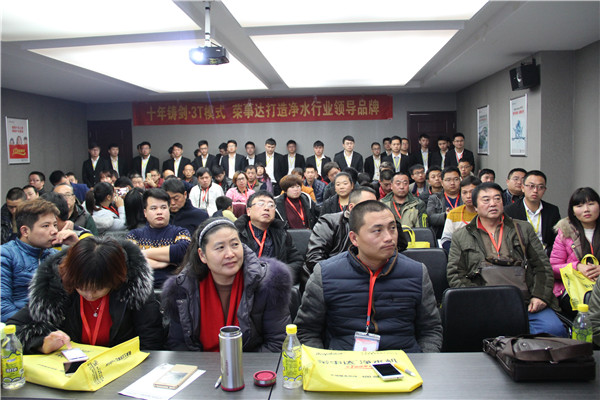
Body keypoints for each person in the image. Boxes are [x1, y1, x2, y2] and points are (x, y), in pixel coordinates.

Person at [295, 200, 442, 351]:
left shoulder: (416, 272)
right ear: (354, 238)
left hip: (405, 359)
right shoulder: (326, 273)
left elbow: (430, 330)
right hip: (345, 360)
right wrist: (322, 362)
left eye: (392, 228)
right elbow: (306, 331)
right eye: (377, 231)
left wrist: (423, 361)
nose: (389, 237)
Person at [446, 182, 566, 337]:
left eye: (497, 199)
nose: (493, 204)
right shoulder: (462, 236)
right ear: (475, 206)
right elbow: (455, 274)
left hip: (526, 301)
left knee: (554, 330)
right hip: (483, 302)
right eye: (486, 200)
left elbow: (542, 266)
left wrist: (540, 296)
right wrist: (477, 299)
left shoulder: (523, 229)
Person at [8, 237, 165, 353]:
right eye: (81, 287)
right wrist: (40, 344)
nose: (89, 295)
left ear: (116, 279)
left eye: (98, 288)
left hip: (120, 369)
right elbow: (12, 329)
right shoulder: (55, 287)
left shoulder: (134, 290)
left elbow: (151, 339)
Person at [162, 218, 292, 351]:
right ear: (202, 255)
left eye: (235, 244)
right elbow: (178, 345)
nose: (230, 254)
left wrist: (234, 362)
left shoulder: (268, 283)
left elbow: (278, 343)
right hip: (201, 362)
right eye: (220, 248)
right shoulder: (182, 289)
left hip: (251, 362)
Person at [306, 187, 408, 274]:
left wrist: (390, 221)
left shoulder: (382, 224)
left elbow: (401, 245)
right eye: (367, 205)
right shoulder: (330, 222)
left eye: (375, 204)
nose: (373, 209)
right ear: (351, 207)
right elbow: (314, 259)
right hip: (335, 276)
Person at [1, 199, 59, 322]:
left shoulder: (55, 256)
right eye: (46, 226)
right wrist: (36, 328)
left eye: (55, 225)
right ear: (25, 231)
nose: (54, 231)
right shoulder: (6, 255)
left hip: (55, 324)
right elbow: (3, 306)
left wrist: (75, 247)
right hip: (19, 325)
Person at [235, 191, 304, 285]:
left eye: (271, 205)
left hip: (274, 285)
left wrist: (279, 274)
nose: (267, 208)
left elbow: (297, 261)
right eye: (261, 204)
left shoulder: (282, 234)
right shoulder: (236, 234)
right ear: (249, 211)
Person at [127, 189, 191, 288]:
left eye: (163, 207)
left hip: (175, 288)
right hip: (142, 289)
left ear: (169, 209)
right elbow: (129, 259)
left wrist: (141, 253)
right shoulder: (134, 235)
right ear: (145, 212)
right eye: (153, 208)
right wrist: (164, 262)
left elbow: (182, 251)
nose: (159, 212)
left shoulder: (180, 232)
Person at [550, 187, 600, 315]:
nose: (586, 209)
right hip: (574, 288)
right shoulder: (565, 233)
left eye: (591, 204)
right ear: (572, 210)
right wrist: (576, 267)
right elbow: (553, 268)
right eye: (579, 206)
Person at [505, 170, 561, 255]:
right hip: (520, 257)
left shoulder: (552, 211)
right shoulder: (510, 211)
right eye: (531, 186)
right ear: (523, 188)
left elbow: (556, 239)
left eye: (540, 187)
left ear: (544, 190)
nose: (535, 190)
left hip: (545, 256)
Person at [440, 176, 481, 251]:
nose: (468, 196)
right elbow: (445, 240)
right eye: (464, 192)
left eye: (472, 192)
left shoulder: (487, 213)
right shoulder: (453, 214)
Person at [427, 166, 462, 238]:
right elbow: (430, 217)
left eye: (456, 179)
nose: (452, 183)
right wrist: (446, 216)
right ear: (442, 182)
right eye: (448, 180)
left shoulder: (466, 196)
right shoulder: (434, 198)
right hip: (442, 235)